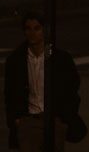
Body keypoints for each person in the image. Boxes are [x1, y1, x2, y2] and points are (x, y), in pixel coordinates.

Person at [4, 15, 80, 152]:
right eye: (28, 29)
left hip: (54, 120)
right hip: (29, 121)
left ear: (44, 30)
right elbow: (10, 93)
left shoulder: (60, 59)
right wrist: (16, 120)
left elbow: (72, 89)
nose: (32, 33)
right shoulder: (16, 60)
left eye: (36, 28)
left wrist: (65, 119)